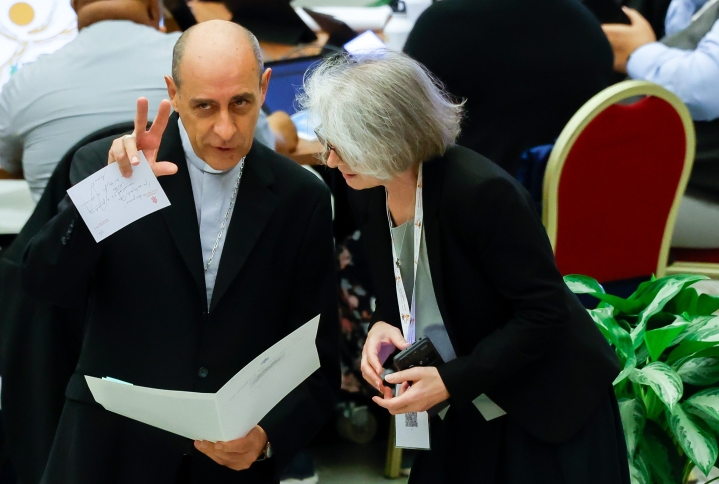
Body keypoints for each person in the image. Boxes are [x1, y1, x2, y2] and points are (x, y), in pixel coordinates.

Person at [21, 20, 338, 484]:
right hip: (111, 449)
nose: (225, 128)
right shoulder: (106, 169)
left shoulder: (300, 198)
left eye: (241, 104)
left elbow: (319, 355)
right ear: (173, 92)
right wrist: (109, 196)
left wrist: (268, 436)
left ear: (265, 87)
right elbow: (43, 284)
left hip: (229, 464)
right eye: (205, 106)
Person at [301, 50, 628, 483]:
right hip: (465, 399)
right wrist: (382, 323)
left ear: (390, 138)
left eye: (343, 147)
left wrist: (452, 380)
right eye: (327, 142)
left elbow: (544, 313)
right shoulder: (368, 187)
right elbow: (405, 277)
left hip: (541, 405)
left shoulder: (481, 194)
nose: (330, 160)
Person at [0, 0, 293, 202]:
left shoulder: (23, 82)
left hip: (67, 270)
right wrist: (279, 125)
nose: (224, 129)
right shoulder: (198, 58)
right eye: (205, 105)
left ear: (74, 6)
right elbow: (259, 146)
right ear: (154, 8)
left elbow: (8, 162)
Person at [402, 0, 615, 176]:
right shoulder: (584, 22)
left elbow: (398, 129)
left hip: (484, 210)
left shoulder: (441, 26)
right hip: (580, 205)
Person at [603, 0, 719, 248]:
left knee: (551, 204)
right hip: (671, 178)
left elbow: (702, 90)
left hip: (703, 193)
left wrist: (638, 52)